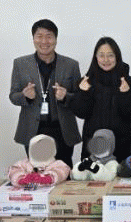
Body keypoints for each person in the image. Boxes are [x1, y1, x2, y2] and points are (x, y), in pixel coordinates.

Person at [9, 19, 81, 167]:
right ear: (33, 38)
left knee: (63, 171)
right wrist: (25, 96)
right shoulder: (20, 64)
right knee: (36, 173)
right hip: (33, 129)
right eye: (39, 36)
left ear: (56, 39)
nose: (44, 41)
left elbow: (80, 99)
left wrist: (66, 97)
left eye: (49, 36)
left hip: (62, 130)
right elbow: (13, 96)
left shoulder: (71, 65)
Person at [71, 37, 131, 161]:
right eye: (101, 55)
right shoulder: (86, 82)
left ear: (117, 57)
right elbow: (80, 113)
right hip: (92, 146)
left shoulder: (129, 82)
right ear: (95, 57)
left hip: (120, 147)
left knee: (119, 173)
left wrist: (125, 94)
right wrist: (84, 93)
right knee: (91, 173)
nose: (106, 60)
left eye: (110, 55)